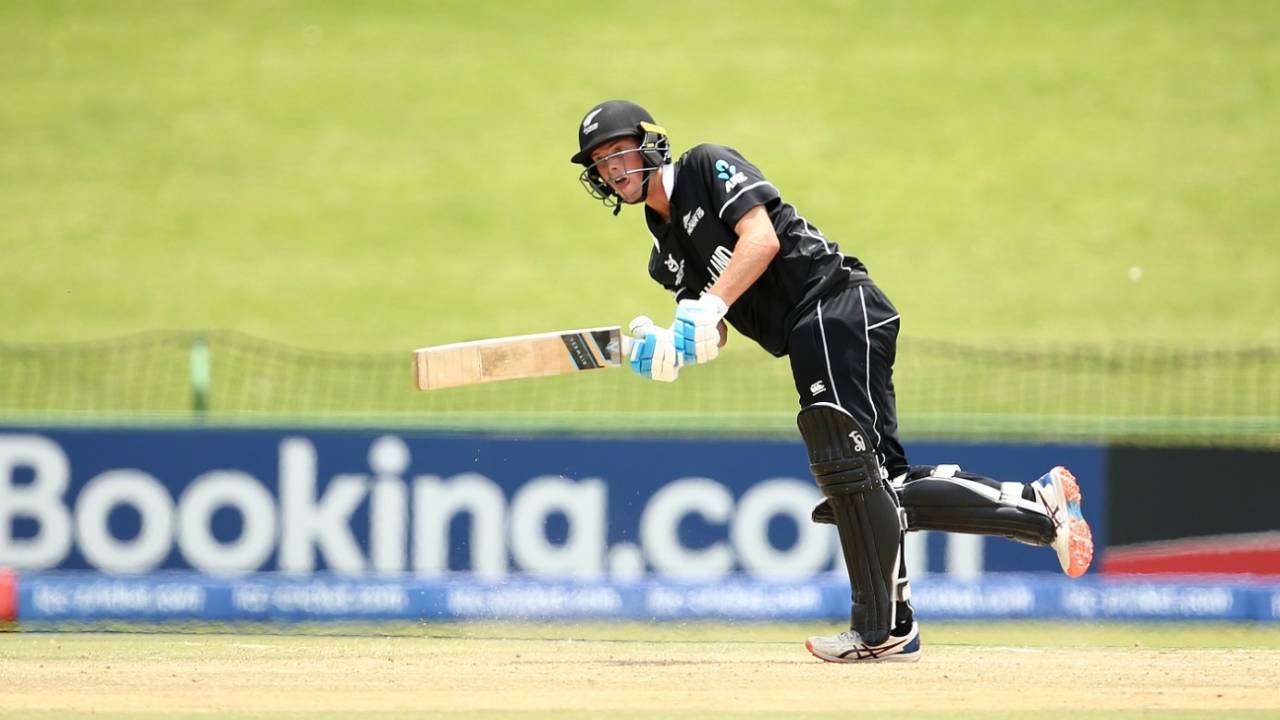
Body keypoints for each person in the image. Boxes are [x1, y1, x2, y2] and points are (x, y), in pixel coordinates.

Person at [570, 100, 1093, 663]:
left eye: (620, 150)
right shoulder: (663, 253)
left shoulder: (705, 165)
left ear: (650, 144)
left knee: (849, 476)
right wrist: (673, 348)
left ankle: (883, 628)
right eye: (600, 162)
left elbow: (761, 240)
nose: (613, 168)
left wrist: (708, 307)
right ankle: (1027, 517)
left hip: (833, 304)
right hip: (813, 331)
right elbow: (710, 330)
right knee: (879, 489)